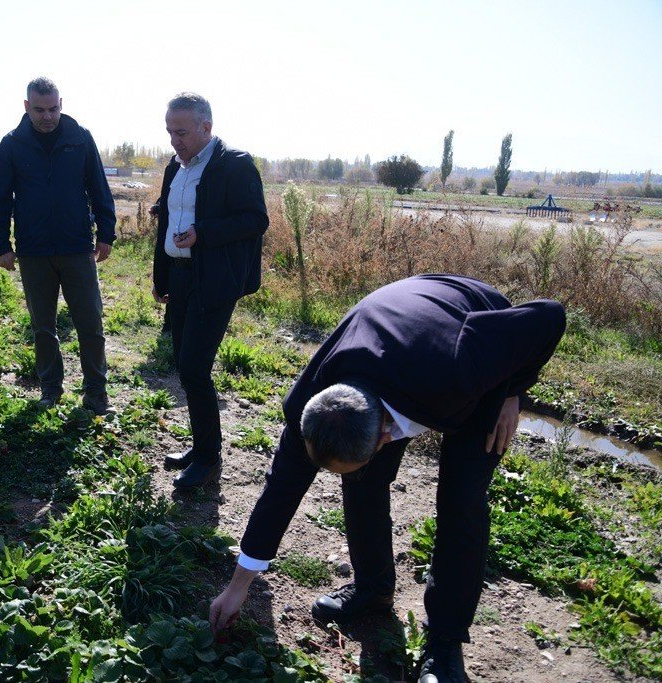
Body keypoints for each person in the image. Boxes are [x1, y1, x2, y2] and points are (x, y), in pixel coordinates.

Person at [209, 274, 566, 683]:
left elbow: (549, 316)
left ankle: (444, 644)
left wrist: (512, 389)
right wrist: (239, 585)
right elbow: (280, 490)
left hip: (478, 338)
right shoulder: (309, 401)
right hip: (399, 344)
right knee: (362, 483)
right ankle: (373, 590)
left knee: (460, 504)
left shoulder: (459, 369)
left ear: (383, 436)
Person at [151, 92, 268, 490]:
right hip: (181, 278)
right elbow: (167, 220)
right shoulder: (175, 168)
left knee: (195, 368)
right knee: (186, 367)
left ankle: (208, 459)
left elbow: (255, 219)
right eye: (169, 132)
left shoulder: (233, 166)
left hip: (213, 281)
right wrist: (161, 278)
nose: (174, 141)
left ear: (206, 127)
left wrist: (204, 234)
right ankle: (202, 446)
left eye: (181, 132)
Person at [0, 77, 116, 414]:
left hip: (76, 248)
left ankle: (96, 394)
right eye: (40, 109)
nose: (48, 116)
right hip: (33, 251)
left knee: (90, 324)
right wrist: (1, 244)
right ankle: (50, 390)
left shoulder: (80, 139)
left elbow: (99, 189)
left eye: (54, 108)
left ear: (62, 104)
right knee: (43, 327)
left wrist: (106, 234)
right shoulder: (12, 144)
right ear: (27, 106)